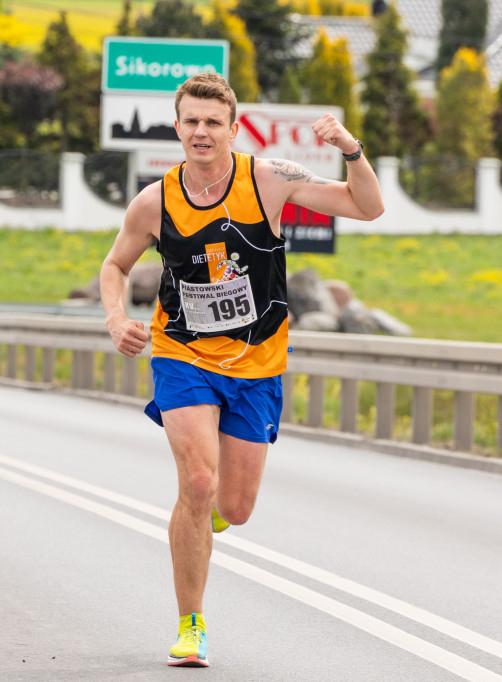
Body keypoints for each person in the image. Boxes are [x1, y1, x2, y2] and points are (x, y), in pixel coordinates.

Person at [100, 73, 384, 668]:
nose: (201, 132)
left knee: (237, 503)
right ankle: (191, 623)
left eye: (213, 122)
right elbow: (115, 265)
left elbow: (368, 206)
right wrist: (114, 319)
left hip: (257, 361)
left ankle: (212, 518)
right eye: (191, 121)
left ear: (234, 128)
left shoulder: (271, 180)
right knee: (197, 485)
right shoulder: (153, 201)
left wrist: (351, 150)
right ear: (176, 128)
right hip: (183, 353)